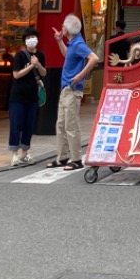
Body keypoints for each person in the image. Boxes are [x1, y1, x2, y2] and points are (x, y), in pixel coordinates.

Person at [46, 14, 98, 171]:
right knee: (61, 124)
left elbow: (94, 58)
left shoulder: (79, 44)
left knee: (71, 124)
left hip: (73, 89)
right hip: (66, 88)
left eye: (63, 25)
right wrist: (59, 41)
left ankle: (76, 159)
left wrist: (80, 75)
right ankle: (62, 157)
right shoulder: (73, 44)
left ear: (67, 28)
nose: (62, 27)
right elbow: (66, 56)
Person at [7, 27, 47, 167]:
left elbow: (43, 73)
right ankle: (14, 154)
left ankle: (25, 153)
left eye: (34, 37)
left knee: (29, 125)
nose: (32, 40)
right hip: (18, 96)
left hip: (32, 97)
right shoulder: (20, 55)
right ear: (25, 41)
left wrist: (38, 64)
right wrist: (31, 66)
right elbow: (16, 75)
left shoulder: (40, 55)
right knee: (16, 124)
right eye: (29, 38)